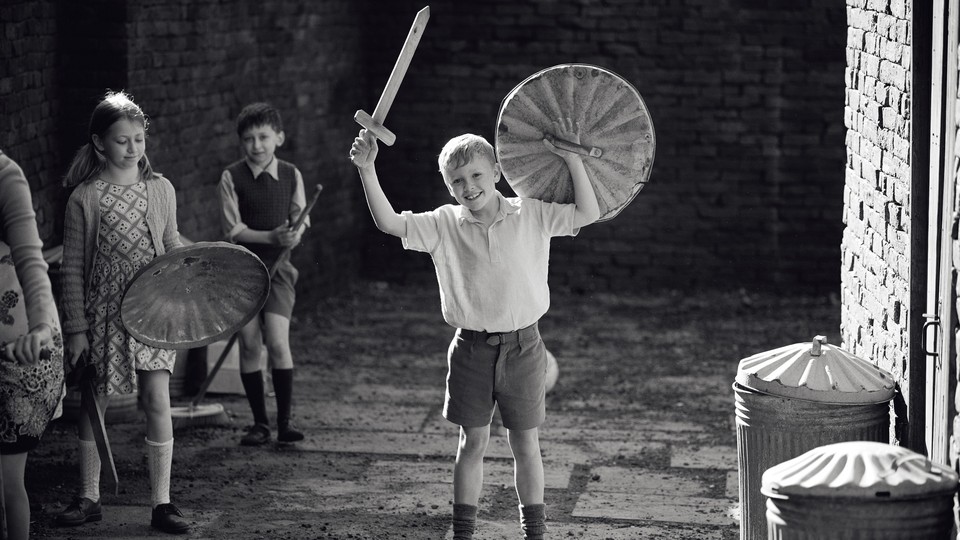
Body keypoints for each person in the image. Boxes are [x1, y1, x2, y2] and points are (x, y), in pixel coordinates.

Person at [348, 121, 600, 540]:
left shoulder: (531, 212)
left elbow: (588, 213)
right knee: (473, 442)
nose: (469, 186)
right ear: (448, 187)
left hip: (525, 347)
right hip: (471, 351)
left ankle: (534, 531)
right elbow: (390, 223)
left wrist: (572, 158)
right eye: (457, 180)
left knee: (525, 444)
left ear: (497, 172)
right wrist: (366, 169)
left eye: (477, 175)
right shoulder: (443, 224)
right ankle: (463, 532)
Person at [56, 91, 189, 534]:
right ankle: (88, 496)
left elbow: (170, 246)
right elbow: (72, 267)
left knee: (157, 399)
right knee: (94, 403)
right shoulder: (85, 198)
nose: (133, 148)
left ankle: (162, 504)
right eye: (121, 141)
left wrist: (188, 283)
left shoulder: (161, 189)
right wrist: (76, 328)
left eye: (138, 138)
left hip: (151, 309)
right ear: (99, 144)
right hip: (104, 313)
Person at [217, 102, 309, 446]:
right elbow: (233, 230)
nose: (257, 145)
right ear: (241, 142)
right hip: (240, 272)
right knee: (250, 344)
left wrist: (292, 234)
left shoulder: (291, 174)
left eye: (264, 137)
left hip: (279, 270)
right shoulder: (231, 177)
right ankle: (259, 424)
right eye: (249, 139)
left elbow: (301, 219)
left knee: (278, 342)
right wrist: (270, 236)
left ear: (279, 138)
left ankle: (284, 422)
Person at [0, 150, 65, 540]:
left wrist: (40, 327)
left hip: (23, 344)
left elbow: (31, 261)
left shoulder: (6, 176)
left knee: (8, 480)